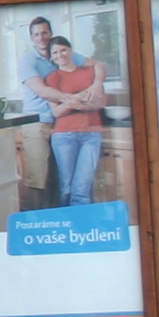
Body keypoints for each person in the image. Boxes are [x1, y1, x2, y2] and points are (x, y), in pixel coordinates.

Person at [38, 33, 107, 206]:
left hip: (92, 134)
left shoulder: (90, 73)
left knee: (82, 188)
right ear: (51, 57)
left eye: (63, 50)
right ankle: (67, 220)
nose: (60, 55)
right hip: (64, 135)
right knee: (67, 187)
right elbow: (57, 112)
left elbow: (100, 103)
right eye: (55, 53)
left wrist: (76, 103)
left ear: (71, 51)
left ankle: (81, 222)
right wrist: (82, 97)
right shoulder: (52, 78)